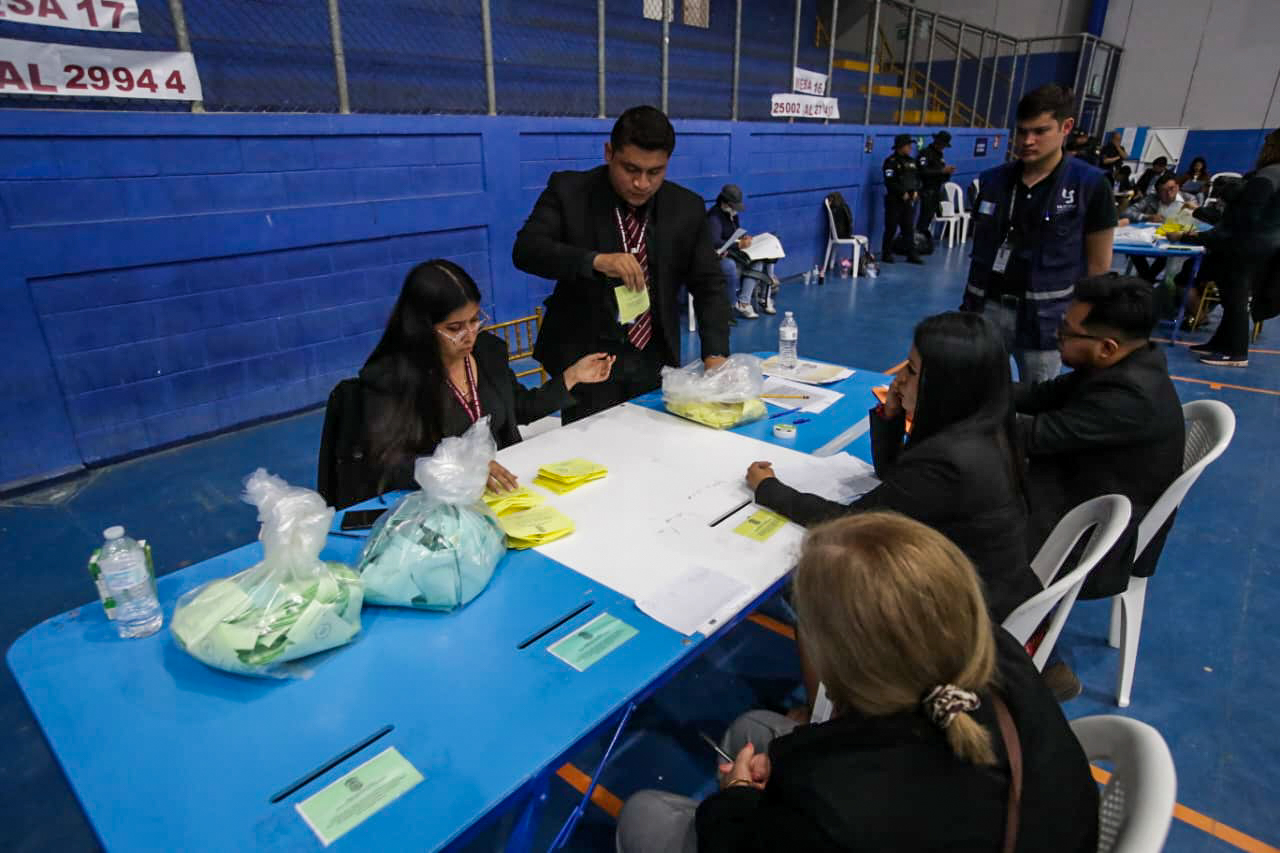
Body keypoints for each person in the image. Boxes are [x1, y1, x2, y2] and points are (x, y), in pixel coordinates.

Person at [615, 513, 1100, 853]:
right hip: (1021, 822)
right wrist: (782, 763)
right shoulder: (994, 656)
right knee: (754, 729)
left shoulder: (838, 809)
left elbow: (743, 835)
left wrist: (738, 798)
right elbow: (864, 751)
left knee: (647, 814)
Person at [745, 312, 1040, 621]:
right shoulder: (986, 428)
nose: (897, 380)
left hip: (958, 619)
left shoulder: (949, 462)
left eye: (911, 371)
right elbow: (896, 481)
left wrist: (769, 489)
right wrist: (891, 416)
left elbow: (853, 523)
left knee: (805, 579)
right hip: (989, 590)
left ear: (945, 386)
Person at [318, 260, 615, 507]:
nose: (470, 335)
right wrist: (460, 468)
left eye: (475, 320)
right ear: (421, 327)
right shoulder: (392, 379)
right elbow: (387, 465)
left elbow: (518, 408)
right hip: (436, 506)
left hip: (502, 494)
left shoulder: (486, 353)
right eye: (454, 328)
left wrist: (572, 376)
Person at [512, 105, 730, 423]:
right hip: (587, 355)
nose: (641, 183)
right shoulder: (570, 191)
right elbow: (527, 250)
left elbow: (709, 285)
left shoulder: (686, 208)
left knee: (654, 444)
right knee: (593, 459)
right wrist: (595, 260)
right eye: (631, 169)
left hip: (654, 355)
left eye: (655, 172)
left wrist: (715, 356)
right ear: (609, 152)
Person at [1017, 275, 1184, 650]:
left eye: (1066, 332)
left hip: (1101, 534)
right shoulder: (1123, 364)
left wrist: (953, 403)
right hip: (1086, 490)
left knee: (975, 528)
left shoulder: (1129, 397)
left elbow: (1035, 434)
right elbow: (1037, 396)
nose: (1058, 337)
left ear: (1107, 347)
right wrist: (970, 382)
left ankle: (1026, 650)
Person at [962, 83, 1117, 383]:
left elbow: (1099, 268)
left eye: (1040, 131)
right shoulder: (993, 182)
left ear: (1066, 127)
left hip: (1047, 319)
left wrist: (1084, 324)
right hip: (988, 310)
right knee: (978, 393)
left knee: (1039, 398)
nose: (1027, 141)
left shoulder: (1090, 186)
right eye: (1021, 131)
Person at [1187, 129, 1280, 367]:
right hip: (1266, 243)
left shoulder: (1269, 174)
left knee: (1235, 298)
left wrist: (1206, 236)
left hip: (1248, 244)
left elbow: (1245, 215)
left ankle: (1236, 352)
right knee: (1231, 297)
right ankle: (1221, 342)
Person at [706, 184, 778, 319]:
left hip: (733, 252)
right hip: (720, 255)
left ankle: (744, 302)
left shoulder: (732, 215)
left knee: (759, 262)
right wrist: (739, 245)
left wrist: (743, 238)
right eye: (734, 207)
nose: (736, 211)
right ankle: (735, 304)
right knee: (731, 266)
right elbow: (715, 242)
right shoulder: (714, 217)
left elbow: (735, 233)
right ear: (725, 203)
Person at [1119, 173, 1199, 282]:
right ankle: (1148, 280)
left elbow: (1195, 221)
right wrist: (1147, 217)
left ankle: (1146, 280)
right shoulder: (1152, 198)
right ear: (1158, 191)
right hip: (1151, 237)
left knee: (1166, 254)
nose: (1169, 193)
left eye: (1172, 188)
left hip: (1174, 239)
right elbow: (1127, 212)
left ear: (1177, 187)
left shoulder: (1189, 199)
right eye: (1163, 190)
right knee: (1134, 250)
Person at [881, 133, 923, 264]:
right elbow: (890, 181)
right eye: (908, 145)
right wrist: (901, 192)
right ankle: (886, 253)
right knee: (891, 227)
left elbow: (916, 179)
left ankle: (912, 254)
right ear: (901, 146)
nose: (910, 148)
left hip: (908, 200)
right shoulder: (890, 162)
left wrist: (915, 191)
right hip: (895, 200)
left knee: (908, 228)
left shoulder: (911, 162)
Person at [916, 130, 956, 244]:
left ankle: (923, 240)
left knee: (929, 217)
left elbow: (941, 174)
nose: (943, 148)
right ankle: (918, 240)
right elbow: (922, 171)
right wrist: (941, 171)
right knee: (924, 217)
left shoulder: (940, 156)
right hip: (927, 189)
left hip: (936, 189)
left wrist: (947, 173)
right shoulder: (926, 153)